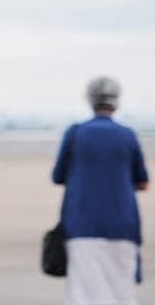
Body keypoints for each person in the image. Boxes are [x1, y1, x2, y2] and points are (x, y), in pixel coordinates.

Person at [52, 76, 149, 305]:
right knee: (122, 293)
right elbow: (142, 182)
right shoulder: (128, 135)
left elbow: (58, 176)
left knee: (84, 295)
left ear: (90, 100)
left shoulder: (75, 133)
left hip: (81, 224)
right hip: (123, 224)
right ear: (116, 102)